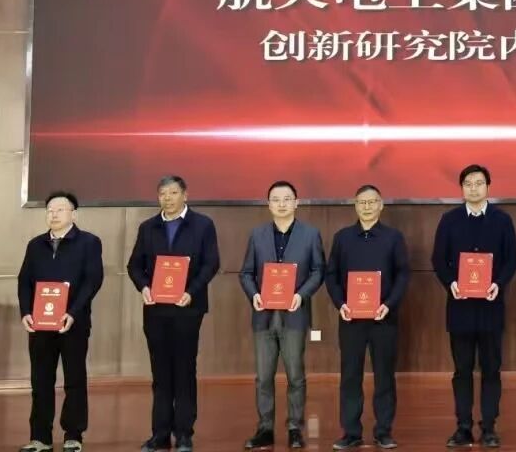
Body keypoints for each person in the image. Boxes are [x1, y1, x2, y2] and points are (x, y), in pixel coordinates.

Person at [127, 175, 220, 452]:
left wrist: (191, 290)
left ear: (185, 195)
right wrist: (144, 287)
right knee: (160, 372)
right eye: (162, 193)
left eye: (173, 192)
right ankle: (159, 434)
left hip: (187, 309)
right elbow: (134, 266)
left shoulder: (202, 224)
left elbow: (211, 263)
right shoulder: (148, 227)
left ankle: (184, 434)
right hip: (155, 310)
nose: (167, 198)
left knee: (184, 370)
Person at [431, 164, 516, 448]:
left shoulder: (502, 220)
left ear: (488, 187)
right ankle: (463, 426)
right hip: (460, 308)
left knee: (492, 369)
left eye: (479, 183)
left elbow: (512, 259)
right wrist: (450, 283)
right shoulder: (449, 219)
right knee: (462, 370)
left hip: (491, 307)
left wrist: (499, 284)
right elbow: (438, 259)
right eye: (468, 183)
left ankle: (490, 427)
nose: (473, 188)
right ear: (462, 189)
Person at [239, 181, 325, 450]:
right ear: (269, 204)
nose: (282, 204)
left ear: (296, 202)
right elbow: (246, 273)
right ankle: (264, 428)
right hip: (263, 316)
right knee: (263, 377)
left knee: (295, 375)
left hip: (294, 315)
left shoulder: (310, 234)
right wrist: (254, 294)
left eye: (287, 199)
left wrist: (302, 295)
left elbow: (318, 271)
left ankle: (295, 427)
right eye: (276, 199)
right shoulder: (257, 235)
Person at [16, 191, 104, 452]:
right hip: (40, 324)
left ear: (73, 214)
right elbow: (24, 281)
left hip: (73, 323)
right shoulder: (35, 245)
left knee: (74, 379)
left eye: (60, 210)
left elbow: (92, 280)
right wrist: (26, 312)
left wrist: (73, 312)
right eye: (50, 210)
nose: (53, 214)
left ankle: (73, 435)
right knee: (40, 380)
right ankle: (40, 437)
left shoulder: (89, 242)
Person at [325, 184, 411, 450]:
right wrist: (340, 304)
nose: (367, 207)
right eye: (362, 202)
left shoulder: (394, 237)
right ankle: (351, 432)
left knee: (384, 376)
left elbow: (403, 274)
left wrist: (389, 304)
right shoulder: (342, 237)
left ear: (381, 205)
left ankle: (383, 431)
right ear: (355, 205)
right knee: (350, 376)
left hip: (383, 319)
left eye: (372, 202)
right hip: (351, 320)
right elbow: (331, 275)